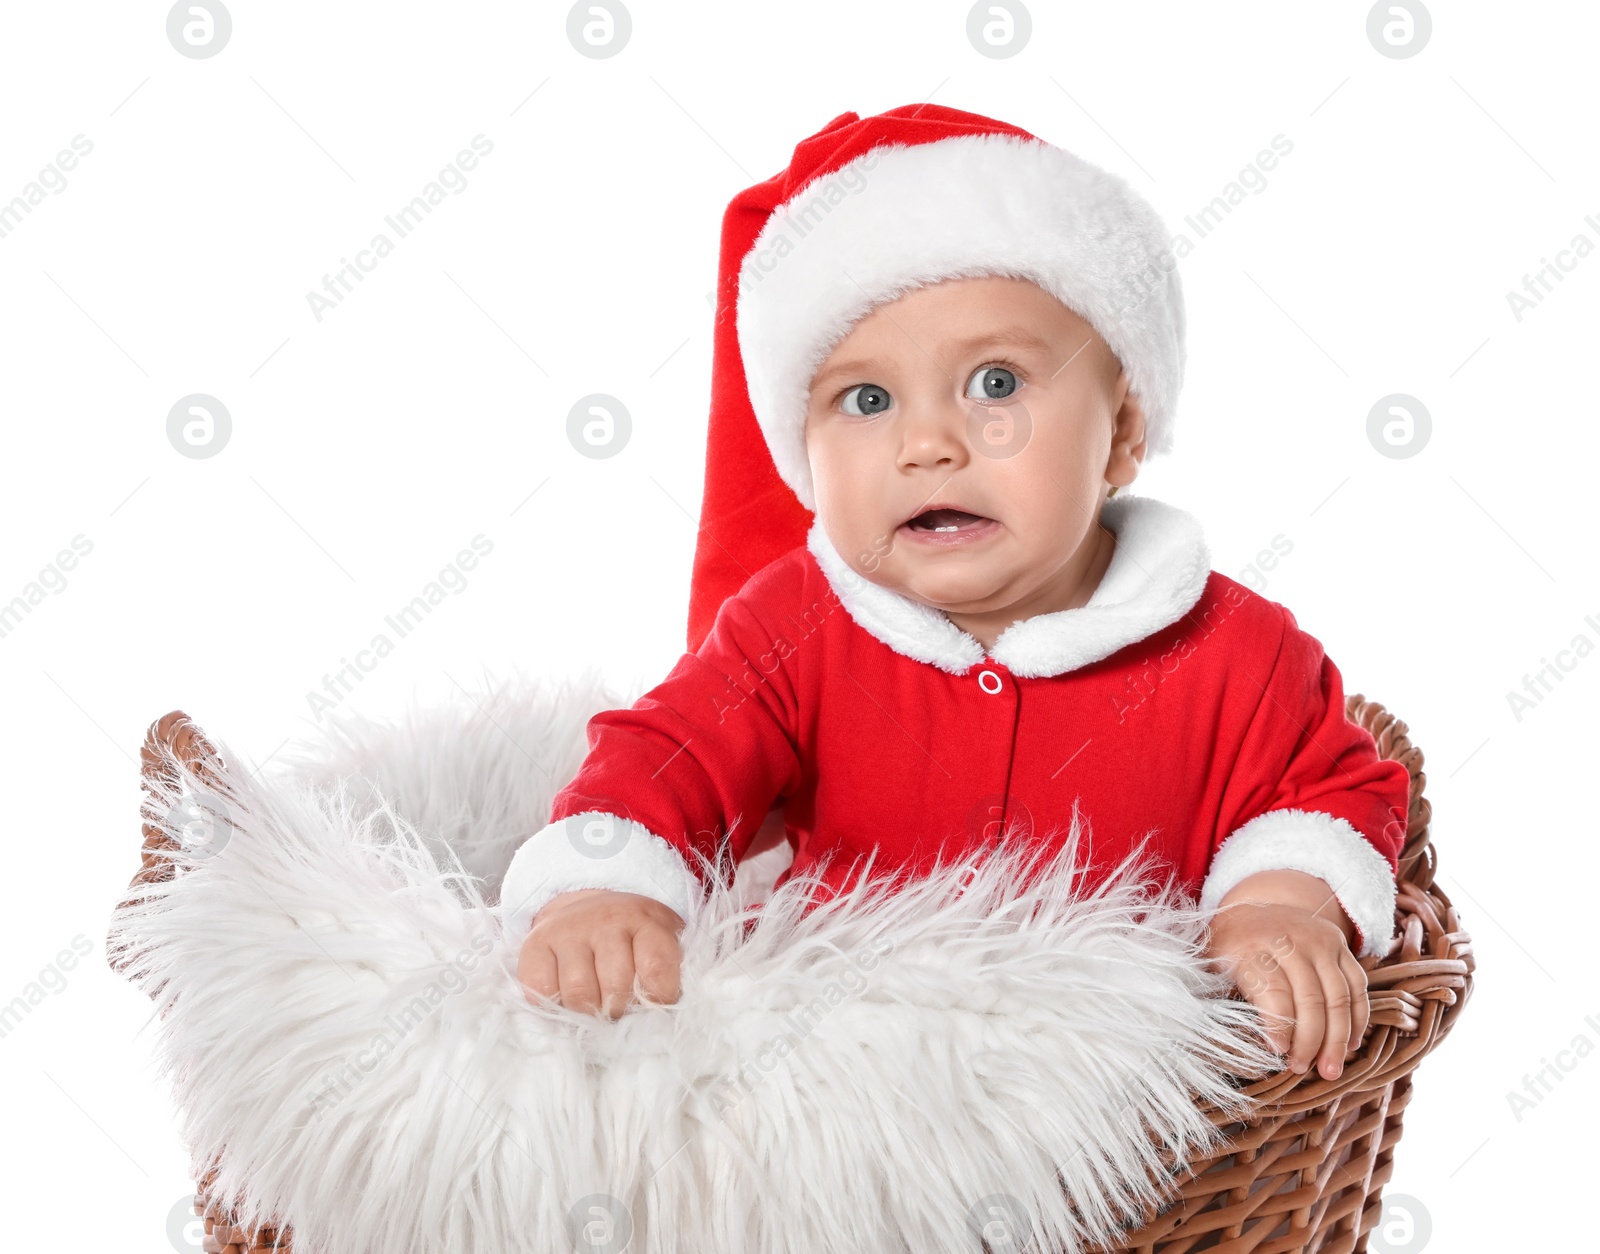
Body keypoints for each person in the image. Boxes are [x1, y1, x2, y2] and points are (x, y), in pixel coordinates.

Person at [499, 104, 1411, 1088]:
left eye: (995, 381)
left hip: (1113, 1104)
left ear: (1124, 432)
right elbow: (664, 756)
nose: (926, 443)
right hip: (831, 1077)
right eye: (866, 400)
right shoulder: (792, 625)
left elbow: (1326, 791)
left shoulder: (1234, 650)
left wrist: (1277, 902)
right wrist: (606, 886)